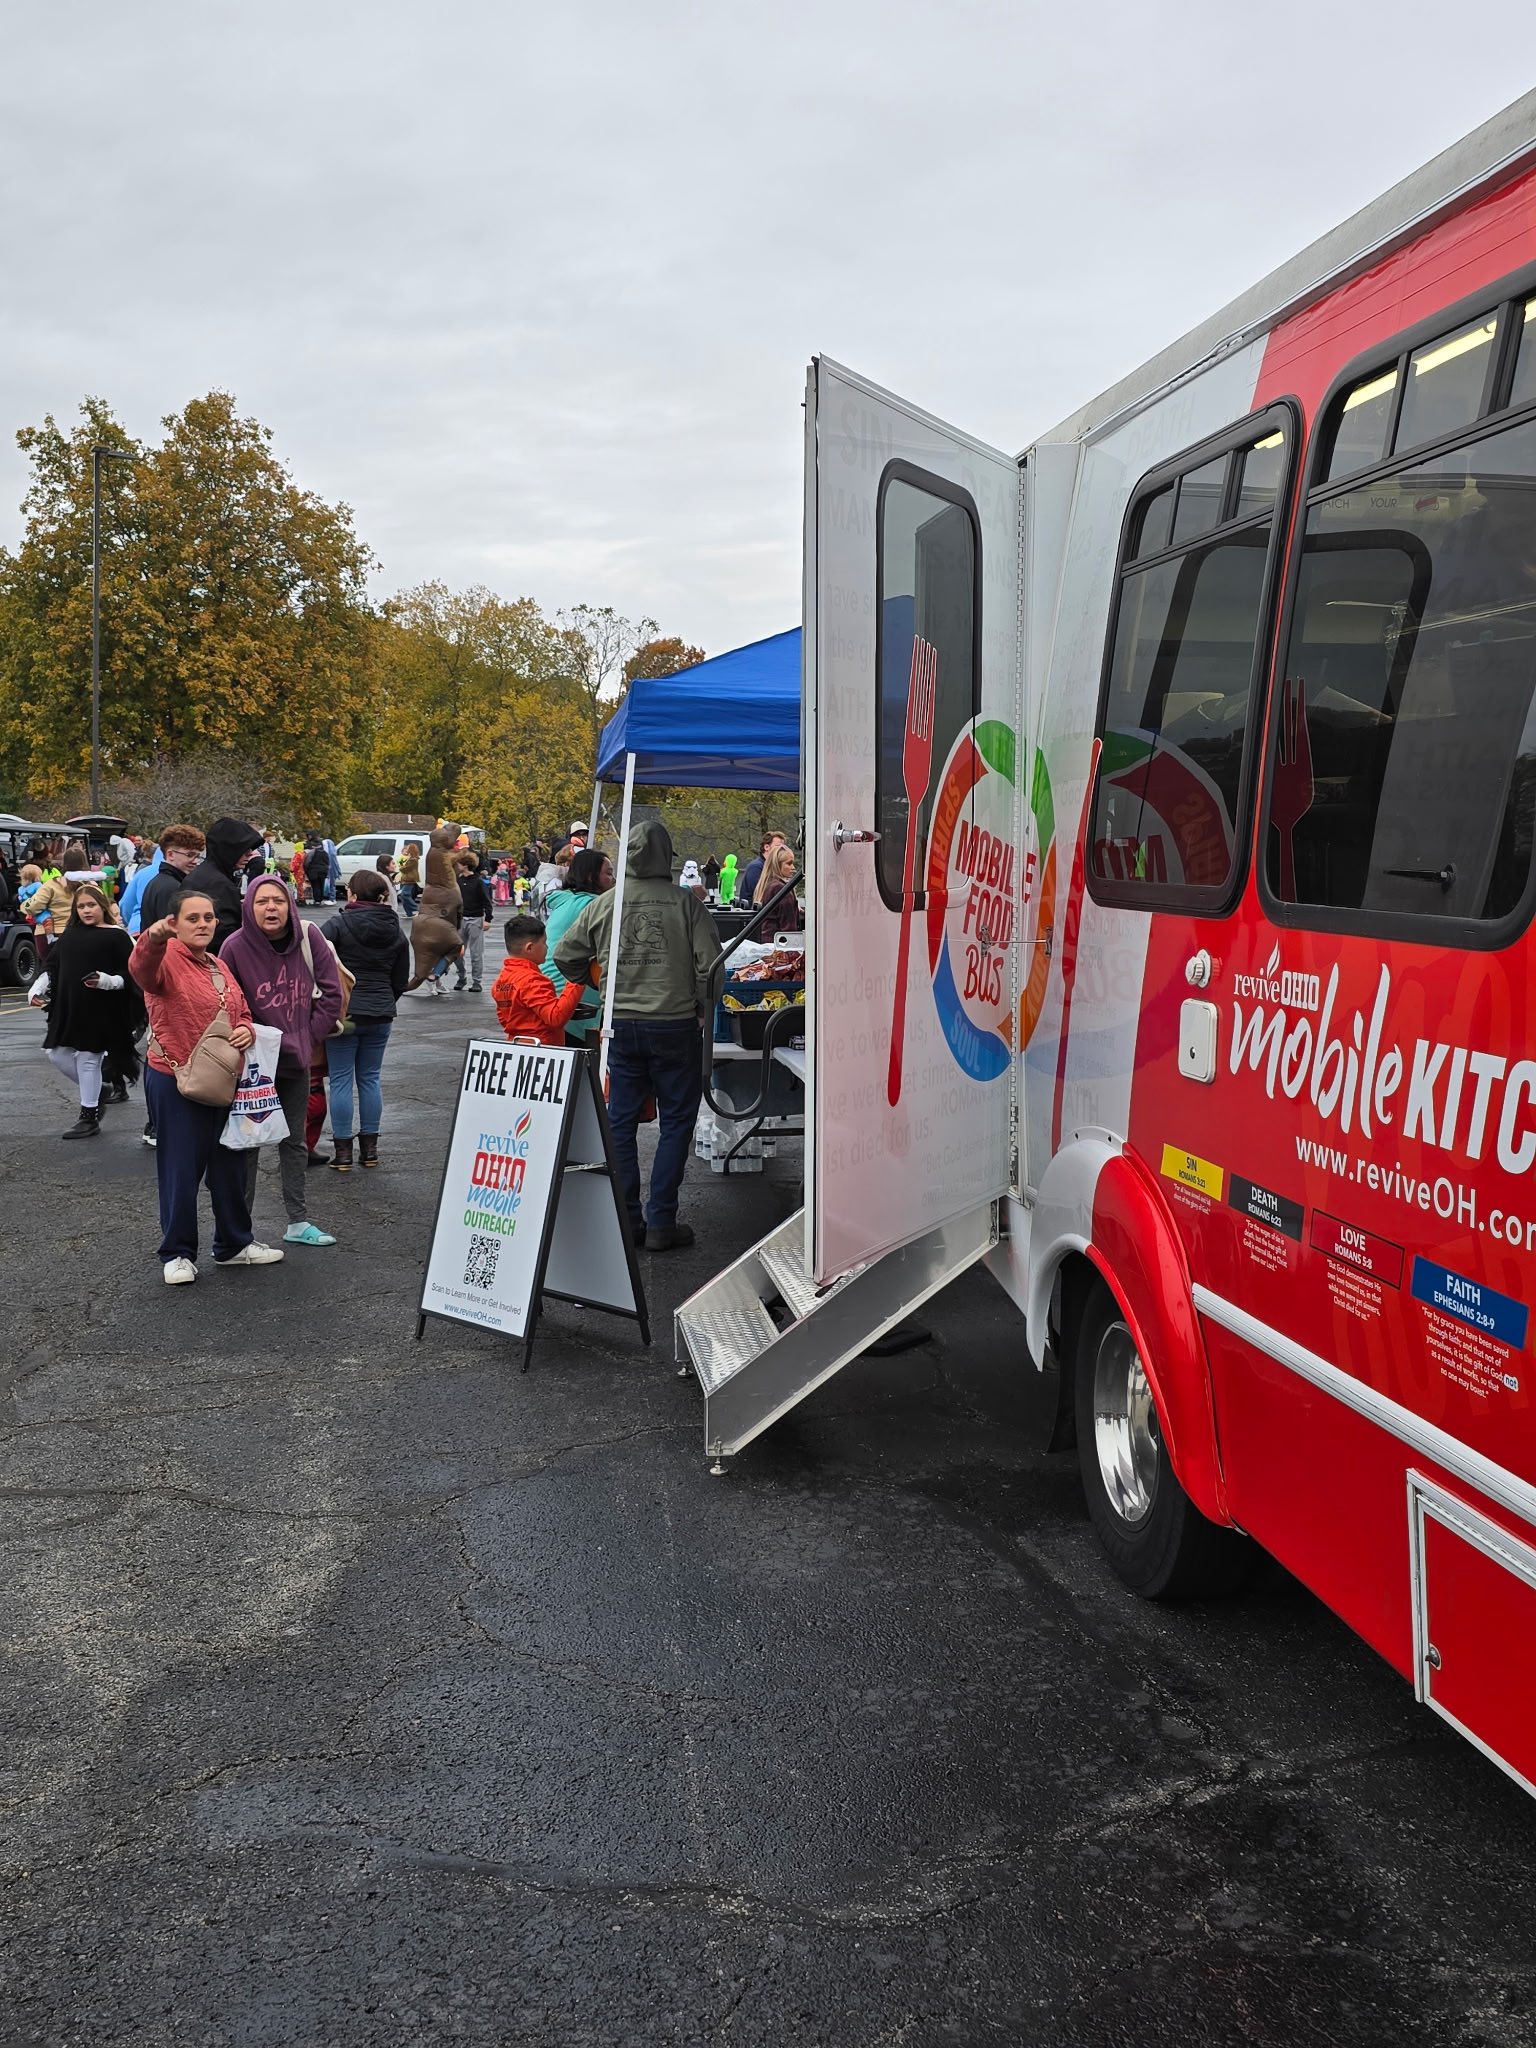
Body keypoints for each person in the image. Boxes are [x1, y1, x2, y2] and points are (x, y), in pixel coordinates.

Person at [555, 821, 717, 1251]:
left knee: (620, 1121)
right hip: (675, 1025)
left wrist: (598, 982)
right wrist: (702, 1007)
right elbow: (711, 967)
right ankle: (662, 1220)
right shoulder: (686, 903)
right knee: (677, 1121)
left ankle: (627, 1218)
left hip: (621, 1026)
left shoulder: (606, 903)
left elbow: (564, 955)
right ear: (666, 857)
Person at [129, 893, 285, 1282]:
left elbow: (242, 1010)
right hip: (175, 1080)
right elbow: (141, 969)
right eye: (193, 918)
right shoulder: (165, 958)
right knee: (180, 1169)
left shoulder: (218, 964)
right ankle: (177, 1253)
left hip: (221, 1081)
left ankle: (234, 1244)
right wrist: (154, 936)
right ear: (175, 923)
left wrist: (246, 1028)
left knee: (230, 1165)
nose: (203, 924)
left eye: (209, 917)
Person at [221, 875, 344, 1247]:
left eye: (277, 900)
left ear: (289, 905)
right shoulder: (234, 947)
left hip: (296, 1061)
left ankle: (298, 1222)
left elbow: (332, 994)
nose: (270, 908)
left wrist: (308, 1038)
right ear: (249, 907)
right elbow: (226, 1004)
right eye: (262, 902)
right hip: (253, 1066)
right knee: (248, 1147)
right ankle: (240, 1233)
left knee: (294, 1142)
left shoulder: (309, 937)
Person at [30, 884, 143, 1140]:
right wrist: (37, 988)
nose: (86, 910)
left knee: (88, 1058)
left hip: (102, 1009)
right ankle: (98, 1090)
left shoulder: (117, 936)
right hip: (69, 1008)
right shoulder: (70, 935)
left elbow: (135, 972)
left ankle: (88, 1116)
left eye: (91, 905)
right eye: (81, 906)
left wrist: (109, 981)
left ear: (102, 906)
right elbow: (52, 966)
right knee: (56, 1053)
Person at [321, 869, 409, 1170]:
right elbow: (400, 979)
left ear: (353, 894)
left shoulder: (338, 924)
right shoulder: (395, 929)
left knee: (341, 1079)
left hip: (346, 1015)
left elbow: (315, 959)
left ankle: (343, 1151)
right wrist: (385, 1000)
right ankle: (370, 1150)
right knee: (370, 1078)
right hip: (381, 1012)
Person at [542, 847, 612, 1046]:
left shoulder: (565, 900)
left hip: (546, 992)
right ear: (590, 876)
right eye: (608, 873)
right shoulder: (596, 905)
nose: (613, 879)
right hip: (572, 999)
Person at [492, 916, 587, 1046]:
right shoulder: (531, 980)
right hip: (543, 1048)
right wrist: (577, 980)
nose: (547, 947)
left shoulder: (501, 981)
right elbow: (556, 1017)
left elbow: (504, 1019)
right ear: (529, 948)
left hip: (515, 1046)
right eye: (544, 943)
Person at [184, 817, 263, 954]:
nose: (249, 853)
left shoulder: (202, 875)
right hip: (214, 959)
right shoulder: (218, 884)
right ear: (228, 849)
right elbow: (223, 936)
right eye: (243, 848)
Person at [404, 824, 466, 992]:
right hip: (441, 921)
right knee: (456, 947)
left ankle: (431, 977)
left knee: (428, 960)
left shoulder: (431, 855)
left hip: (423, 921)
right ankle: (434, 974)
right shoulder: (447, 859)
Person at [137, 825, 207, 932]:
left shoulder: (159, 881)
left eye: (197, 856)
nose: (195, 861)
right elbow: (172, 931)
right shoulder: (172, 887)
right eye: (190, 855)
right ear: (170, 854)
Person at [453, 851, 494, 991]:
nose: (457, 866)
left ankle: (477, 981)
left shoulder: (478, 882)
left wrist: (488, 919)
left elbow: (487, 901)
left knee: (476, 953)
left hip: (476, 919)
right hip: (460, 919)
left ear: (465, 865)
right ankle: (462, 976)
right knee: (457, 952)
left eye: (459, 864)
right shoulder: (458, 881)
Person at [752, 842, 802, 932]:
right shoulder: (781, 890)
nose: (793, 867)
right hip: (778, 939)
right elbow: (788, 928)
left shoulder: (767, 885)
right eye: (789, 863)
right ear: (777, 865)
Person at [736, 832, 785, 907]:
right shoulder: (756, 867)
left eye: (783, 848)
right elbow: (759, 895)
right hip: (756, 912)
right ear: (766, 847)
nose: (782, 850)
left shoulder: (772, 867)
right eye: (778, 847)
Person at [303, 835, 329, 907]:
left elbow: (307, 862)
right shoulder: (325, 853)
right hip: (323, 871)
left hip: (313, 872)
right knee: (321, 885)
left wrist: (306, 870)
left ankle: (317, 900)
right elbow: (327, 863)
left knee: (315, 886)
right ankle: (320, 899)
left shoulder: (311, 853)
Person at [398, 841, 421, 919]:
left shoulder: (413, 860)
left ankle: (416, 909)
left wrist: (401, 864)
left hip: (409, 879)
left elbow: (403, 869)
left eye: (408, 848)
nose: (406, 849)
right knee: (402, 895)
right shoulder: (409, 858)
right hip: (404, 879)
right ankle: (409, 913)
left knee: (405, 894)